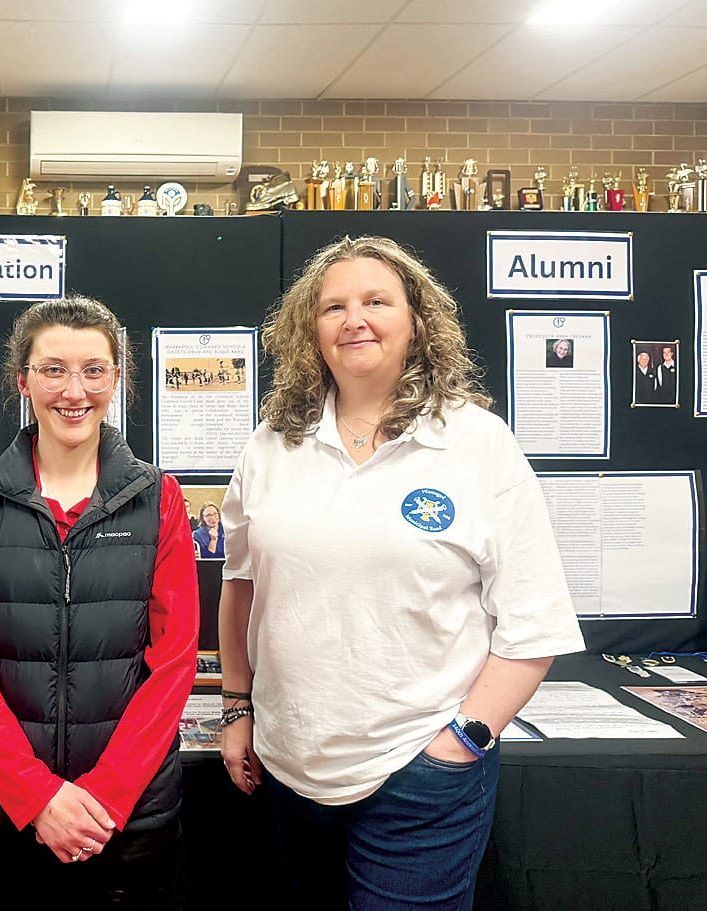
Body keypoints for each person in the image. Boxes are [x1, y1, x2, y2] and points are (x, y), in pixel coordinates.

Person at [217, 236, 583, 911]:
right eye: (334, 306)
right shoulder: (273, 443)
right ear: (312, 329)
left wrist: (460, 744)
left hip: (418, 773)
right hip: (288, 765)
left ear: (416, 320)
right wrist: (236, 706)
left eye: (376, 301)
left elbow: (533, 629)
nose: (354, 319)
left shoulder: (478, 445)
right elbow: (240, 584)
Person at [0, 294, 199, 909]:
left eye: (93, 370)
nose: (74, 391)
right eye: (53, 369)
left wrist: (104, 799)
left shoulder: (158, 501)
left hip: (129, 823)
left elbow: (173, 665)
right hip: (3, 820)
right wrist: (37, 799)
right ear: (22, 380)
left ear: (117, 378)